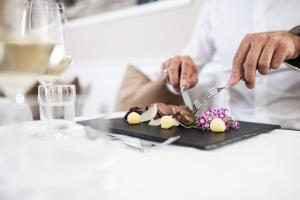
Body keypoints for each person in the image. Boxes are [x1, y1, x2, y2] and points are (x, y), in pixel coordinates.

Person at [161, 0, 300, 129]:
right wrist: (177, 71)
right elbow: (185, 65)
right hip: (236, 130)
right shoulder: (214, 5)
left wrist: (297, 42)